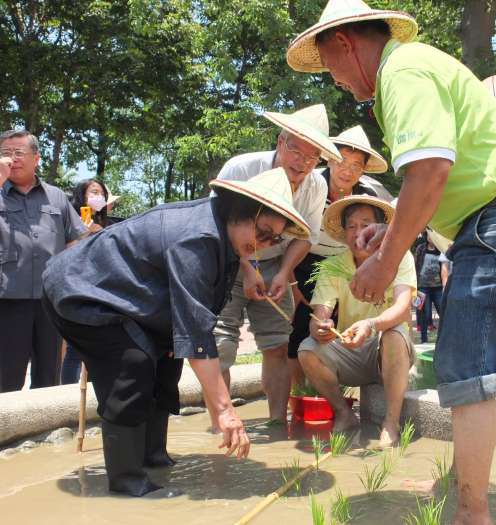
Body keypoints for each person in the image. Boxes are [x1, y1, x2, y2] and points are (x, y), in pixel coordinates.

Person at [287, 3, 496, 523]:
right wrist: (389, 230)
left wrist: (385, 261)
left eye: (330, 68)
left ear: (345, 43)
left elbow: (431, 170)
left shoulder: (403, 71)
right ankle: (464, 486)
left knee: (467, 369)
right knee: (469, 365)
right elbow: (441, 178)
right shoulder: (413, 67)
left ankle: (470, 514)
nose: (336, 81)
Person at [42, 168, 310, 497]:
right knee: (134, 364)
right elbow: (196, 333)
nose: (264, 245)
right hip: (82, 291)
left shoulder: (225, 237)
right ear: (240, 211)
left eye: (273, 240)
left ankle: (153, 458)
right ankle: (127, 482)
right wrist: (225, 412)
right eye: (263, 232)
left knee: (168, 360)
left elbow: (190, 329)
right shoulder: (197, 237)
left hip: (134, 303)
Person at [212, 104, 340, 425]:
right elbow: (216, 224)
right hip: (227, 262)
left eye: (313, 158)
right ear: (280, 142)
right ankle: (220, 424)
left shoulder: (316, 185)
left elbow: (306, 236)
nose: (303, 163)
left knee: (277, 345)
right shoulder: (240, 169)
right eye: (297, 151)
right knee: (221, 345)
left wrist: (284, 272)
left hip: (276, 265)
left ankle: (276, 424)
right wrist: (245, 265)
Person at [299, 195, 415, 447]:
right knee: (307, 349)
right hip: (351, 349)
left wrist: (372, 325)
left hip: (388, 346)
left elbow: (403, 307)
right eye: (351, 226)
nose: (358, 232)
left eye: (365, 225)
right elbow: (320, 313)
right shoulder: (332, 267)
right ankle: (343, 412)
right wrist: (321, 328)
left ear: (380, 230)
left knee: (394, 334)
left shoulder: (400, 258)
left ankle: (391, 422)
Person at [288, 125, 387, 386]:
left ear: (363, 170)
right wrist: (291, 282)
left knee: (337, 327)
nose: (348, 171)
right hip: (302, 259)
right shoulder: (310, 185)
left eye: (357, 165)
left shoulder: (367, 196)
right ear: (329, 159)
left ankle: (333, 387)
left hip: (345, 263)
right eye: (342, 161)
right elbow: (288, 234)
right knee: (299, 327)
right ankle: (298, 395)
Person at [0, 129, 86, 393]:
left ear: (36, 158)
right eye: (4, 153)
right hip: (8, 300)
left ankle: (46, 432)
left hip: (50, 301)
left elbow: (76, 239)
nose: (11, 159)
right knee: (7, 374)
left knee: (49, 374)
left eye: (18, 153)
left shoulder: (56, 197)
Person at [61, 179, 113, 384]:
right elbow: (70, 253)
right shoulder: (72, 220)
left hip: (99, 289)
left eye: (101, 193)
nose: (97, 196)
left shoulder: (104, 224)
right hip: (76, 287)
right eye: (93, 192)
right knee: (75, 347)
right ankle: (66, 395)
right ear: (81, 195)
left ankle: (94, 390)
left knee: (97, 345)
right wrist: (85, 232)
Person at [415, 239, 443, 343]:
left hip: (438, 287)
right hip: (423, 287)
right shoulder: (421, 248)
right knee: (425, 313)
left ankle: (443, 338)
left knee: (443, 311)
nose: (432, 238)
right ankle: (424, 339)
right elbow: (415, 265)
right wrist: (415, 286)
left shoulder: (440, 249)